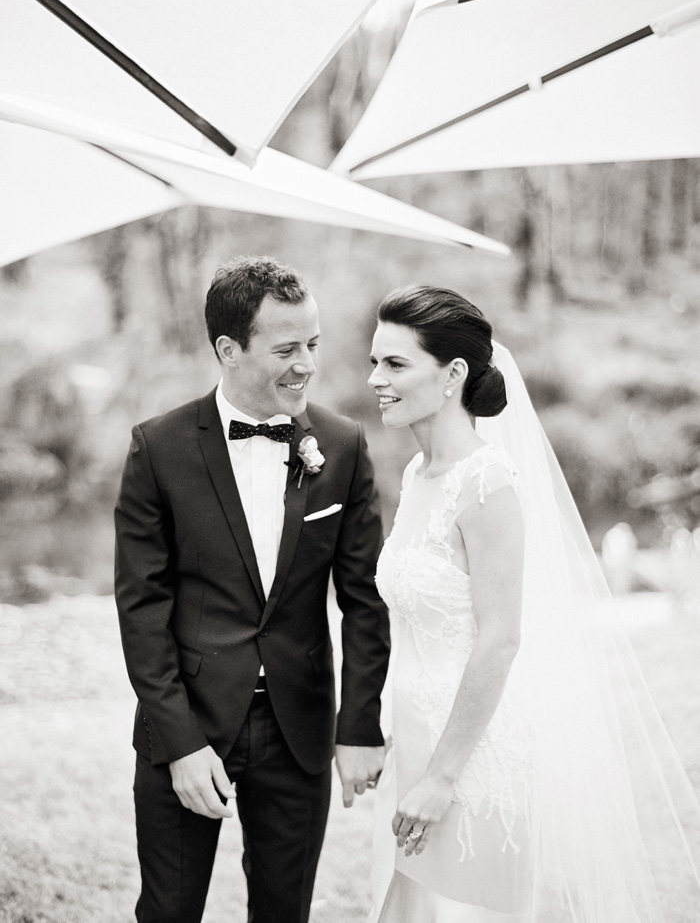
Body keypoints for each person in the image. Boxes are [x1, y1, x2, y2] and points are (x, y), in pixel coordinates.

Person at [366, 284, 700, 922]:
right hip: (409, 743)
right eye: (376, 360)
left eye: (395, 363)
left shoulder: (487, 483)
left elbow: (500, 639)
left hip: (468, 757)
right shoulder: (416, 476)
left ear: (453, 374)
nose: (376, 378)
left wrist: (440, 777)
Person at [114, 256, 390, 923]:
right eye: (287, 348)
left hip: (299, 725)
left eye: (314, 345)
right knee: (169, 911)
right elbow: (141, 605)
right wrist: (179, 743)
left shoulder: (344, 446)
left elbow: (364, 600)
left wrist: (359, 724)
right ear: (228, 349)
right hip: (187, 717)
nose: (307, 365)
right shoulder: (158, 448)